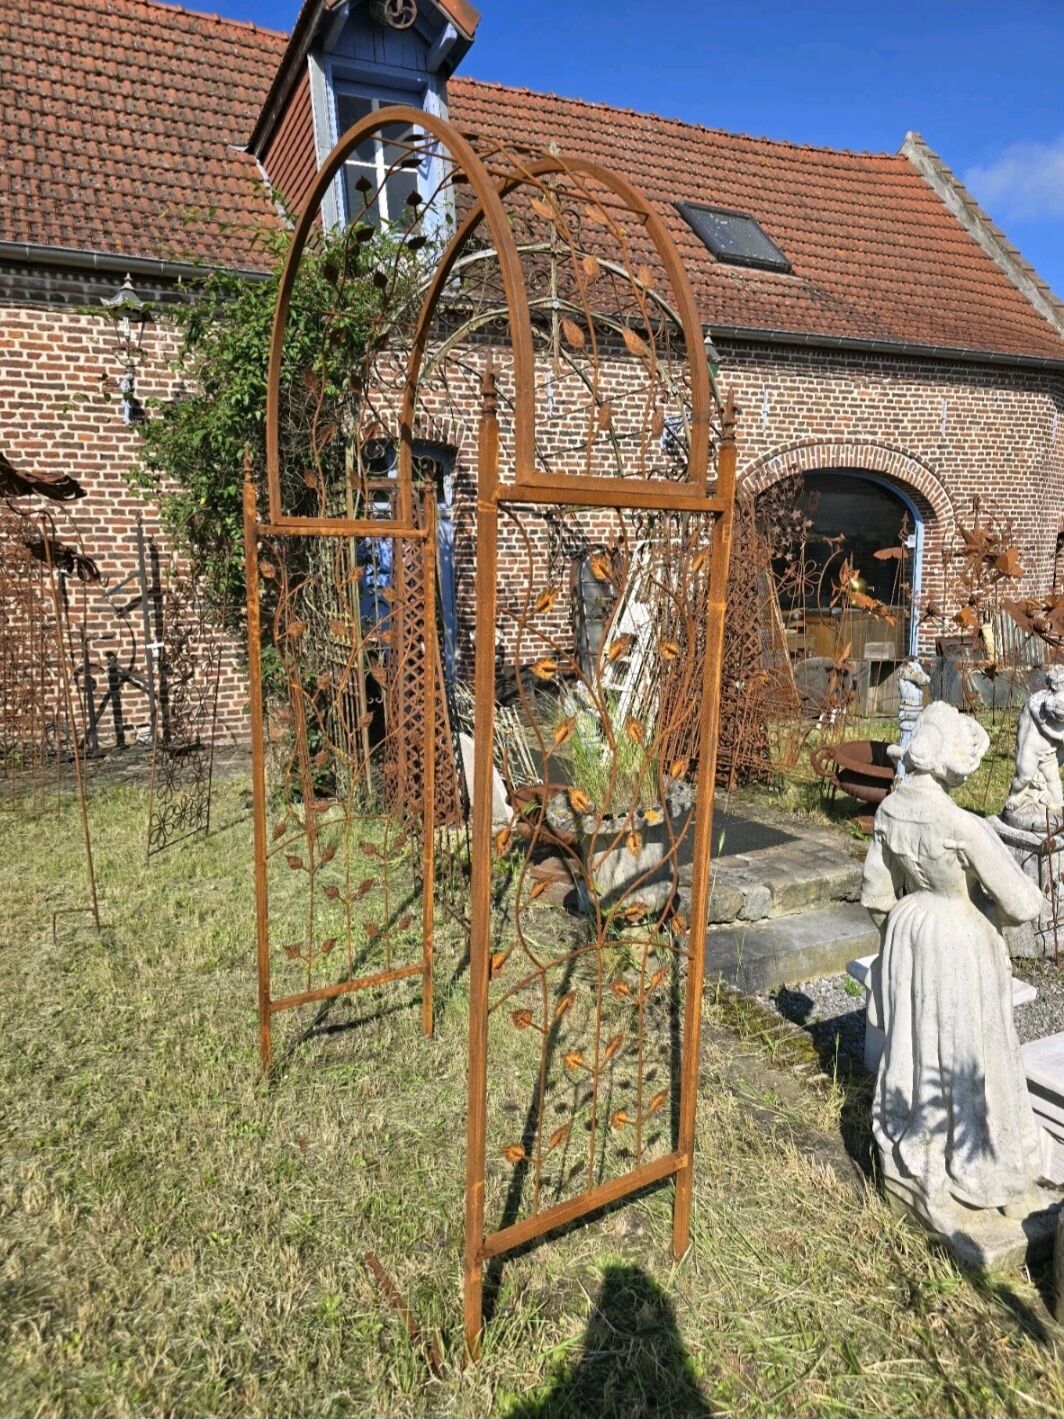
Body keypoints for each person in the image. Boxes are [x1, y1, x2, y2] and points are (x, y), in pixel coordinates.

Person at [861, 701, 1057, 1231]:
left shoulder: (890, 812)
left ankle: (918, 1134)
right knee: (972, 1052)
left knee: (919, 1043)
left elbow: (875, 894)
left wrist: (900, 932)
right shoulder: (962, 825)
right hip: (958, 940)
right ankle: (984, 1165)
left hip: (910, 930)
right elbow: (1021, 904)